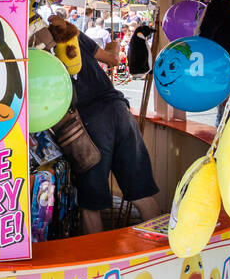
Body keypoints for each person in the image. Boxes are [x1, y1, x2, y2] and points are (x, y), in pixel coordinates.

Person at [33, 16, 159, 233]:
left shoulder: (37, 56)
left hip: (89, 124)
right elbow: (113, 59)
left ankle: (99, 263)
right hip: (120, 111)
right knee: (141, 192)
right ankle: (164, 249)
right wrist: (114, 47)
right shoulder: (74, 35)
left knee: (90, 204)